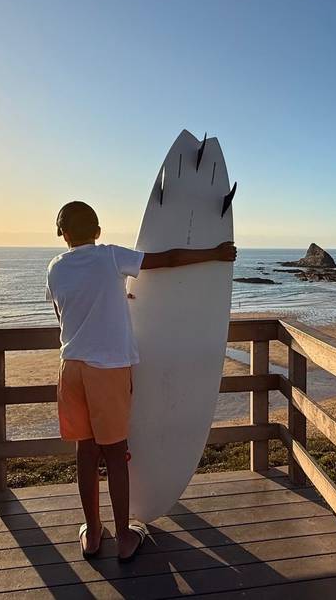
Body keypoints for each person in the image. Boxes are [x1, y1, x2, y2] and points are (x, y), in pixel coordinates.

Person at [46, 201, 236, 562]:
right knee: (115, 453)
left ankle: (92, 536)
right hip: (108, 368)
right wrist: (215, 252)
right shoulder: (110, 258)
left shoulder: (55, 267)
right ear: (97, 231)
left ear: (64, 234)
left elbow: (65, 314)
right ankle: (123, 538)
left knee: (85, 452)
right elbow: (166, 258)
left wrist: (115, 300)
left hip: (70, 367)